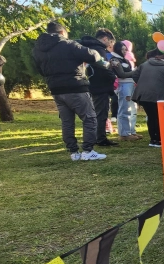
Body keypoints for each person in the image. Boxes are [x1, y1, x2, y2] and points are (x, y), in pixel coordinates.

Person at [32, 22, 107, 161]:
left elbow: (40, 70)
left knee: (67, 121)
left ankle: (73, 152)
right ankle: (87, 150)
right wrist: (100, 56)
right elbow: (92, 55)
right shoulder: (68, 44)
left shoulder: (38, 49)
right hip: (75, 86)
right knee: (89, 117)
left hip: (55, 89)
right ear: (62, 33)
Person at [130, 49, 164, 147]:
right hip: (158, 96)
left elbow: (134, 75)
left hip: (142, 95)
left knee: (151, 117)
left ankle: (153, 139)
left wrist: (143, 83)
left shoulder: (145, 64)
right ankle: (159, 140)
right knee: (159, 118)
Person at [79, 29, 118, 146]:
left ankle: (96, 136)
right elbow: (103, 69)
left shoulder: (88, 48)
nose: (111, 46)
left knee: (95, 112)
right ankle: (100, 138)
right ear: (105, 39)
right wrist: (113, 76)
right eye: (111, 42)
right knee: (101, 113)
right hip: (100, 86)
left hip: (91, 84)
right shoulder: (99, 50)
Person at [110, 41, 139, 140]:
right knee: (124, 109)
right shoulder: (115, 60)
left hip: (129, 84)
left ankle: (130, 131)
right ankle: (124, 134)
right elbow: (121, 74)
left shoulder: (123, 59)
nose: (124, 51)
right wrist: (134, 72)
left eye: (125, 49)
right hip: (124, 85)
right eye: (122, 49)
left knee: (130, 109)